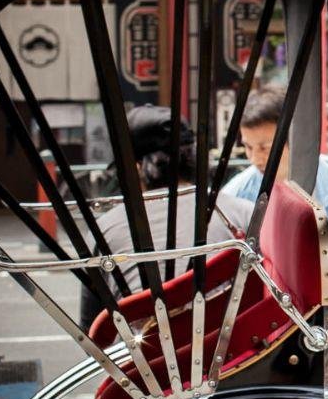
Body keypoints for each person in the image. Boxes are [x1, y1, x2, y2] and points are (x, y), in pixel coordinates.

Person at [80, 105, 228, 324]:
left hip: (140, 355)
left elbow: (91, 328)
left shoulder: (103, 229)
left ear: (135, 167)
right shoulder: (237, 212)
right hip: (232, 353)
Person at [218, 87, 328, 256]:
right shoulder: (236, 195)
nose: (255, 158)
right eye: (248, 147)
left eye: (265, 148)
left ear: (297, 138)